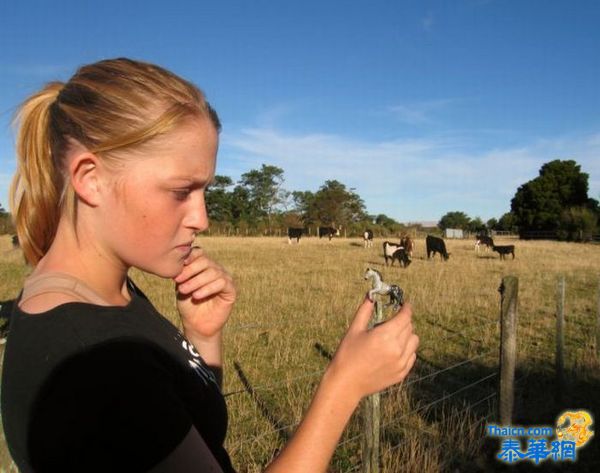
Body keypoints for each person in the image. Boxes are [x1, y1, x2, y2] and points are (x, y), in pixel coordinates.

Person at [1, 58, 419, 472]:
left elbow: (184, 428)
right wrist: (343, 386)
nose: (201, 218)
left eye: (204, 191)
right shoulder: (99, 361)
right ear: (90, 178)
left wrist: (203, 336)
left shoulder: (100, 296)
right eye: (182, 191)